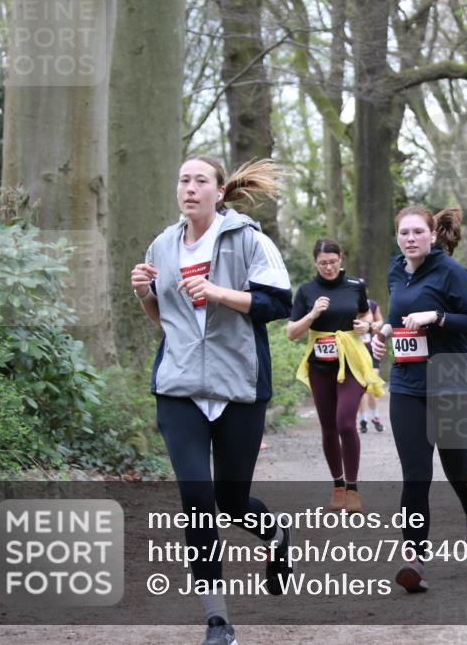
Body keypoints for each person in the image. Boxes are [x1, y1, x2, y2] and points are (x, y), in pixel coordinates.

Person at [131, 156, 294, 645]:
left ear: (219, 192)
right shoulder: (161, 245)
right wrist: (144, 294)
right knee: (197, 499)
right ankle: (218, 619)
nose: (191, 188)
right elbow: (169, 323)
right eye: (183, 179)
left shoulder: (249, 240)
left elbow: (279, 304)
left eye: (201, 180)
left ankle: (276, 535)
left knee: (231, 501)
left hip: (238, 386)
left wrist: (220, 292)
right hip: (179, 389)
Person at [371, 205, 467, 593]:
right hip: (407, 386)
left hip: (453, 384)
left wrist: (436, 317)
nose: (410, 239)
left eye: (418, 232)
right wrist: (383, 333)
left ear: (433, 235)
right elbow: (398, 317)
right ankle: (415, 560)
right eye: (404, 233)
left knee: (457, 473)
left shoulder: (452, 273)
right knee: (416, 476)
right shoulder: (395, 271)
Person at [287, 239, 384, 514]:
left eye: (332, 261)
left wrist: (365, 324)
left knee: (345, 422)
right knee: (328, 426)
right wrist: (313, 313)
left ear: (341, 259)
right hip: (320, 365)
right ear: (315, 263)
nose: (328, 267)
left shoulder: (355, 285)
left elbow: (368, 316)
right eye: (322, 263)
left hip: (352, 361)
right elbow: (292, 332)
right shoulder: (306, 291)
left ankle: (353, 489)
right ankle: (338, 485)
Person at [357, 298, 386, 433]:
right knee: (361, 388)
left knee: (372, 384)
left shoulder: (372, 305)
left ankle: (375, 416)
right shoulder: (346, 302)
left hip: (371, 350)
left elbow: (380, 321)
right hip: (355, 351)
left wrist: (374, 325)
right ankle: (363, 419)